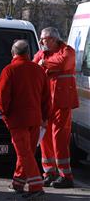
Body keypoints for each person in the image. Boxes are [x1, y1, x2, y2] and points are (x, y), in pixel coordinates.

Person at [0, 40, 51, 199]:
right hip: (35, 118)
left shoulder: (9, 70)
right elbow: (47, 96)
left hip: (17, 119)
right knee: (27, 152)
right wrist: (45, 116)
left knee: (24, 153)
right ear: (28, 53)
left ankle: (36, 186)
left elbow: (2, 96)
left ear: (13, 53)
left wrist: (5, 114)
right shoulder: (39, 70)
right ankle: (18, 183)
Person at [33, 27, 79, 188]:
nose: (41, 42)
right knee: (45, 138)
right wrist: (43, 64)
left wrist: (44, 64)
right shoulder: (42, 53)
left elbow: (63, 63)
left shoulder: (67, 51)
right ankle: (49, 173)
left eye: (43, 39)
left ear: (53, 39)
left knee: (59, 138)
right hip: (46, 103)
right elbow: (34, 67)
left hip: (62, 103)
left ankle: (66, 175)